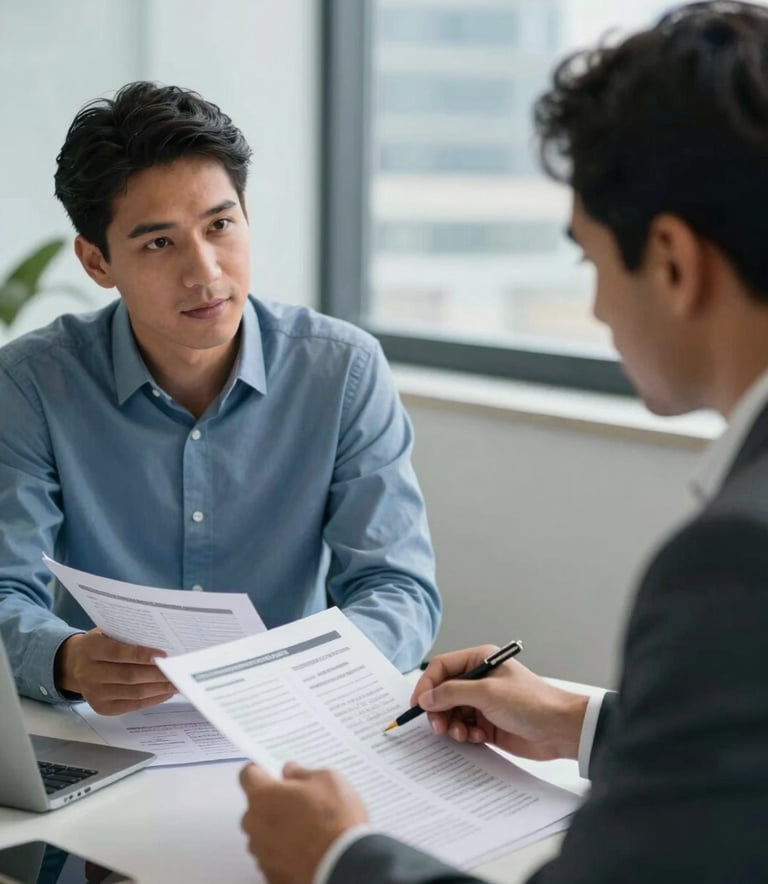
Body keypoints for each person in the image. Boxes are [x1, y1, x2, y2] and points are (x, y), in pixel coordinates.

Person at [238, 2, 768, 881]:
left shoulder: (736, 559)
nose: (597, 308)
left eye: (591, 263)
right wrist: (577, 719)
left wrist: (338, 858)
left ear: (672, 261)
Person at [0, 81, 441, 715]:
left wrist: (304, 677)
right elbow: (6, 588)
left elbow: (396, 587)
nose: (205, 271)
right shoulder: (31, 385)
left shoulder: (342, 370)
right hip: (110, 731)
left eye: (220, 225)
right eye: (159, 243)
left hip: (297, 721)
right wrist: (67, 659)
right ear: (97, 263)